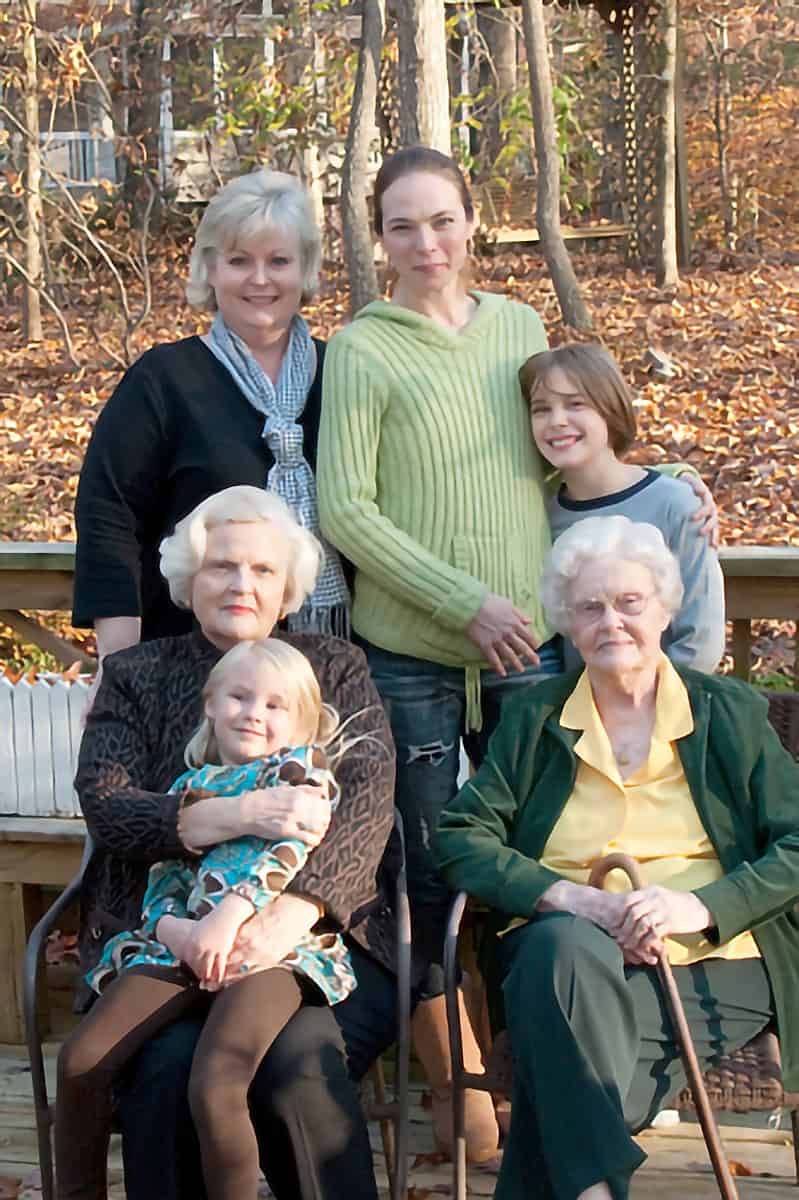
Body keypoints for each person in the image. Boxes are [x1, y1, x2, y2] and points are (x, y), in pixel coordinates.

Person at [317, 144, 718, 1162]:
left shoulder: (518, 328)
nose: (425, 243)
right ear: (379, 237)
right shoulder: (362, 347)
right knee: (422, 870)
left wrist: (657, 482)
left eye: (441, 220)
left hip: (529, 650)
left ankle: (559, 1078)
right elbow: (345, 510)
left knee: (544, 856)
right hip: (408, 651)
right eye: (402, 225)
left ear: (471, 220)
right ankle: (462, 1100)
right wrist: (463, 603)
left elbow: (556, 451)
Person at [436, 516, 799, 1200]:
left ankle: (586, 1185)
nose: (611, 622)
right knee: (560, 946)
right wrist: (575, 899)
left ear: (664, 608)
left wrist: (697, 905)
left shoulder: (727, 712)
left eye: (630, 603)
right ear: (567, 624)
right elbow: (459, 837)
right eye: (589, 607)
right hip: (565, 957)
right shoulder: (537, 716)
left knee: (557, 1082)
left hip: (712, 964)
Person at [74, 485, 398, 1200]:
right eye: (221, 566)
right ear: (190, 582)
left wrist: (295, 911)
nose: (240, 585)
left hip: (312, 939)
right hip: (163, 936)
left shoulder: (335, 666)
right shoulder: (136, 674)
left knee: (297, 1064)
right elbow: (109, 806)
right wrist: (235, 813)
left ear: (288, 588)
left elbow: (368, 803)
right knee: (167, 1071)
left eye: (261, 570)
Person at [57, 637, 357, 1200]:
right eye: (240, 697)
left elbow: (289, 855)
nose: (253, 713)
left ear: (302, 721)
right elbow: (164, 879)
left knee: (216, 1082)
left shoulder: (301, 774)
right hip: (184, 944)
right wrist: (181, 931)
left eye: (274, 705)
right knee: (80, 1060)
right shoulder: (187, 790)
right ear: (211, 704)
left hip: (268, 952)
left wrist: (230, 918)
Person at [72, 167, 349, 701]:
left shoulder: (341, 374)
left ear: (305, 269)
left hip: (321, 670)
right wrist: (120, 667)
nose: (260, 280)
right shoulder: (165, 380)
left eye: (279, 261)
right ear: (210, 268)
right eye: (240, 260)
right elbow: (108, 517)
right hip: (186, 669)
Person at [522, 342, 725, 672]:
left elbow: (701, 641)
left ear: (610, 410)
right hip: (576, 711)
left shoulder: (677, 505)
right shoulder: (540, 514)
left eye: (575, 404)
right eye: (541, 409)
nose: (557, 421)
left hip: (670, 707)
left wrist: (650, 707)